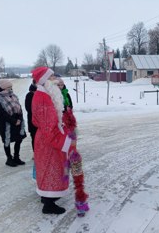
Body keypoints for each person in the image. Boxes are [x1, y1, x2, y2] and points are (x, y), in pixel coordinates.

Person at [31, 67, 88, 215]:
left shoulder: (46, 94)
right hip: (49, 141)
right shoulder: (42, 97)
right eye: (51, 78)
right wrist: (65, 142)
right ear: (44, 81)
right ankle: (48, 204)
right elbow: (48, 126)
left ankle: (46, 198)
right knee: (52, 169)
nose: (54, 80)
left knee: (48, 169)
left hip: (47, 139)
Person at [55, 77, 89, 217]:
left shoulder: (66, 95)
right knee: (61, 165)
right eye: (58, 84)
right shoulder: (51, 99)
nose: (61, 85)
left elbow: (71, 111)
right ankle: (56, 191)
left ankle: (80, 201)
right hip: (59, 135)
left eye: (62, 83)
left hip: (70, 133)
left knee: (75, 162)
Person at [0, 79, 26, 167]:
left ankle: (16, 157)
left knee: (19, 139)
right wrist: (13, 121)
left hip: (17, 121)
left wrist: (19, 118)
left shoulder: (13, 95)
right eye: (8, 87)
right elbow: (1, 113)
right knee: (7, 141)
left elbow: (19, 107)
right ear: (3, 88)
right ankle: (9, 159)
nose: (10, 89)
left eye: (11, 87)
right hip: (6, 123)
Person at [24, 79, 37, 151]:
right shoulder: (29, 95)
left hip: (43, 120)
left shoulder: (44, 92)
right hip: (33, 120)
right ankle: (35, 152)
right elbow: (28, 108)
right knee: (34, 136)